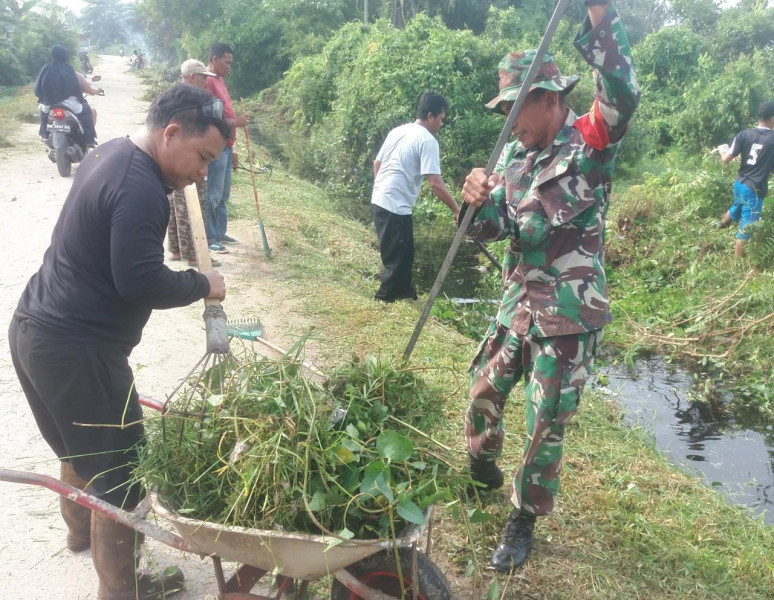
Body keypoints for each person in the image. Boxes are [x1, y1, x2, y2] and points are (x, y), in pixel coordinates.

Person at [8, 83, 230, 600]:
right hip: (78, 351)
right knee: (122, 479)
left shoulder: (111, 152)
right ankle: (123, 590)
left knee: (78, 449)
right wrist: (203, 283)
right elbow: (140, 282)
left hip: (34, 331)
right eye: (202, 158)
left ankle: (80, 536)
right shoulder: (141, 188)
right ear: (170, 133)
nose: (203, 173)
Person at [460, 0, 639, 573]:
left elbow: (621, 95)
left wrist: (599, 15)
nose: (509, 121)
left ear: (548, 99)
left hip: (567, 314)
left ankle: (523, 518)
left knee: (545, 421)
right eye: (504, 110)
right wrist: (475, 202)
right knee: (482, 390)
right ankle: (482, 463)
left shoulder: (590, 141)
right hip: (517, 303)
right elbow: (495, 228)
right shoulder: (515, 156)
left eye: (515, 108)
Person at [371, 91, 459, 302]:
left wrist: (381, 188)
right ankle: (383, 298)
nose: (441, 124)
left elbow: (377, 164)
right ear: (430, 116)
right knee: (396, 259)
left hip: (381, 199)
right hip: (394, 203)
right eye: (441, 119)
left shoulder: (398, 130)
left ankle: (406, 292)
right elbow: (435, 183)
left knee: (406, 251)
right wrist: (458, 210)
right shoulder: (427, 140)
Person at [167, 59, 221, 267]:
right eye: (202, 77)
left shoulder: (172, 96)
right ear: (191, 77)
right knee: (194, 205)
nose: (206, 82)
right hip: (189, 159)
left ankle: (176, 250)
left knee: (176, 203)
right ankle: (194, 254)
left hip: (172, 158)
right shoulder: (190, 100)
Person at [205, 42, 248, 254]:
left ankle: (220, 232)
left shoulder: (220, 80)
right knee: (213, 193)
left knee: (223, 194)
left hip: (228, 145)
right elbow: (212, 118)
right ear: (215, 59)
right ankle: (210, 237)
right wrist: (235, 123)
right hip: (218, 146)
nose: (229, 67)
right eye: (227, 62)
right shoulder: (208, 82)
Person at [716, 101, 774, 258]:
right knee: (746, 228)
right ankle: (738, 265)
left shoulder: (744, 134)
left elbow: (726, 159)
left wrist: (722, 149)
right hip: (754, 190)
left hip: (739, 184)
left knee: (737, 207)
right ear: (772, 119)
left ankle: (720, 227)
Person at [34, 44, 101, 145]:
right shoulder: (71, 71)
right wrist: (97, 91)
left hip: (48, 104)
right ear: (66, 57)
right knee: (88, 111)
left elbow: (37, 88)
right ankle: (89, 140)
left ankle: (44, 135)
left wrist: (44, 98)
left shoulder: (46, 68)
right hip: (69, 105)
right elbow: (87, 89)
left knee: (43, 113)